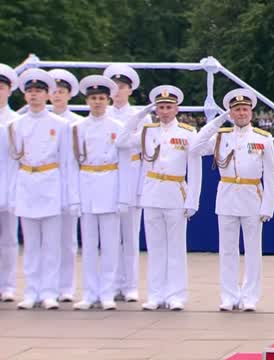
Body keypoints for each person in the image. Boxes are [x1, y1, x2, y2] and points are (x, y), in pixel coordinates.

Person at [191, 89, 274, 312]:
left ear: (251, 112)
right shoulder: (221, 136)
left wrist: (268, 206)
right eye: (237, 110)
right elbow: (196, 147)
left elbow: (270, 176)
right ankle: (228, 295)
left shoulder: (262, 138)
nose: (241, 113)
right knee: (227, 250)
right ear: (231, 112)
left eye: (245, 109)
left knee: (252, 250)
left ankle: (250, 297)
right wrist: (218, 121)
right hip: (227, 196)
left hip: (251, 197)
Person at [118, 85, 202, 311]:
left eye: (168, 107)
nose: (164, 111)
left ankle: (175, 295)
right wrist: (137, 117)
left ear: (177, 109)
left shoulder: (187, 133)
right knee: (155, 248)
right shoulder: (147, 131)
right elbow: (121, 142)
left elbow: (195, 168)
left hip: (176, 192)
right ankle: (155, 294)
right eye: (160, 107)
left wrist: (192, 199)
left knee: (175, 247)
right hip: (152, 192)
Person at [9, 69, 71, 310]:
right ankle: (31, 291)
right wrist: (12, 194)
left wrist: (68, 196)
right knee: (32, 244)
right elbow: (14, 163)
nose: (34, 96)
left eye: (39, 92)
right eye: (30, 92)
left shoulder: (61, 124)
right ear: (25, 96)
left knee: (52, 244)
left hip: (51, 182)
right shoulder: (16, 125)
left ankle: (49, 291)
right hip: (27, 183)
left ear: (48, 95)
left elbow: (66, 163)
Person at [70, 75, 127, 311]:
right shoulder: (78, 128)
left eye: (101, 98)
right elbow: (73, 164)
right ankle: (90, 293)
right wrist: (74, 197)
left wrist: (123, 197)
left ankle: (107, 292)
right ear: (87, 101)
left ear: (108, 100)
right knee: (90, 244)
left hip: (110, 184)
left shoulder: (118, 128)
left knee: (111, 244)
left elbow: (125, 165)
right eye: (93, 98)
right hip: (87, 185)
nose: (97, 102)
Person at [104, 63, 147, 302]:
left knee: (130, 236)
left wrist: (125, 141)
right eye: (114, 87)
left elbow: (144, 145)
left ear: (130, 90)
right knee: (110, 237)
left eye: (122, 87)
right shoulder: (104, 115)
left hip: (132, 177)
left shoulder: (140, 116)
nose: (118, 91)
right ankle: (111, 284)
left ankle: (130, 285)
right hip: (109, 178)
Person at [48, 68, 83, 302]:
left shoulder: (78, 124)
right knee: (46, 241)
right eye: (54, 91)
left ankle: (66, 287)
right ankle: (46, 286)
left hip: (71, 184)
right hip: (47, 185)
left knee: (68, 240)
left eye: (62, 91)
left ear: (70, 95)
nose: (58, 95)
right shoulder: (40, 119)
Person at [0, 63, 19, 303]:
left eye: (1, 87)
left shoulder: (16, 120)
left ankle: (7, 285)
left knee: (8, 238)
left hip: (9, 182)